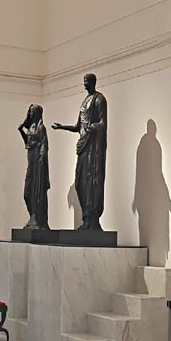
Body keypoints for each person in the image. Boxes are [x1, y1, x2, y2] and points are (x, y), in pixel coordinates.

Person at [52, 73, 107, 231]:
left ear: (93, 82)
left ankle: (92, 220)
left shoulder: (100, 99)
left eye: (86, 82)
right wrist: (62, 126)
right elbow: (78, 127)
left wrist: (94, 127)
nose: (84, 84)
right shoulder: (84, 102)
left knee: (92, 182)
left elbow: (103, 122)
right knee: (79, 183)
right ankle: (86, 218)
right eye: (83, 81)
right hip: (83, 147)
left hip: (93, 148)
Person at [18, 104, 49, 230]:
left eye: (32, 112)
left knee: (37, 192)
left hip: (38, 163)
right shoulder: (31, 127)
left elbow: (44, 144)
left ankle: (37, 219)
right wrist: (21, 131)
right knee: (27, 193)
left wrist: (41, 157)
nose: (30, 114)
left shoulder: (41, 128)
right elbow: (27, 143)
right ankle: (32, 216)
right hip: (31, 163)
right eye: (29, 112)